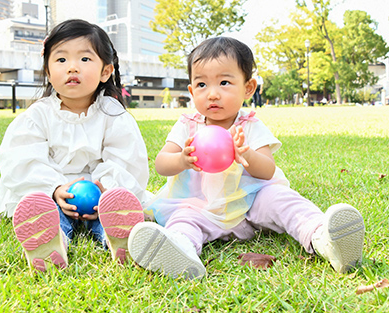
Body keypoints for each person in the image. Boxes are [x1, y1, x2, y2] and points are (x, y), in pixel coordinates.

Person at [127, 37, 364, 280]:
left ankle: (323, 238)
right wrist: (182, 159)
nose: (212, 94)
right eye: (201, 85)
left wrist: (246, 154)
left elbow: (268, 171)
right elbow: (161, 164)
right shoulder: (187, 125)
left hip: (252, 205)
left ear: (248, 88)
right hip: (200, 205)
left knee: (282, 199)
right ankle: (181, 250)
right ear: (191, 90)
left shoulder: (250, 125)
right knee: (183, 220)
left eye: (224, 82)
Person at [0, 19, 149, 272]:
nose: (72, 67)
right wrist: (54, 188)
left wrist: (106, 190)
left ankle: (119, 237)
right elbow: (22, 158)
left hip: (99, 196)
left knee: (109, 213)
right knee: (50, 212)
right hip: (53, 193)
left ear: (105, 71)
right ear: (47, 70)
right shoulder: (37, 115)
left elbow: (126, 158)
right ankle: (51, 241)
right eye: (61, 60)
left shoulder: (113, 115)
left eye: (85, 59)